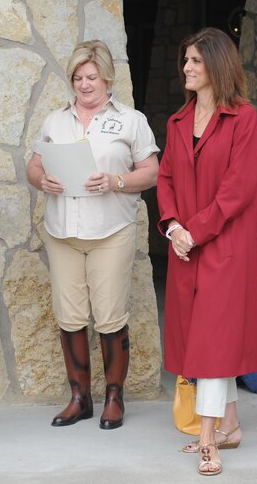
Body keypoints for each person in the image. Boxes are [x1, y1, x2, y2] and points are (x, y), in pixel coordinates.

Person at [26, 40, 159, 430]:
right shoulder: (55, 121)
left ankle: (114, 397)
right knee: (69, 317)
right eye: (78, 78)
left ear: (107, 78)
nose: (84, 85)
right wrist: (42, 180)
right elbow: (34, 167)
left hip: (111, 230)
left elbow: (150, 172)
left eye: (92, 77)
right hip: (62, 231)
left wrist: (117, 180)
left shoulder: (131, 120)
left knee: (110, 316)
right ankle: (79, 398)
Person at [157, 27, 257, 476]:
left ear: (217, 65)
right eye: (185, 61)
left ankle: (206, 436)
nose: (187, 68)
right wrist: (175, 228)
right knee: (201, 339)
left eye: (196, 61)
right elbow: (165, 180)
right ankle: (231, 426)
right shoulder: (177, 122)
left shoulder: (243, 119)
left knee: (215, 342)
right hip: (186, 247)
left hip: (225, 249)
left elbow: (237, 190)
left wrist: (193, 232)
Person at [179, 282, 257, 453]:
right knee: (202, 371)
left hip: (249, 353)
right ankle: (229, 427)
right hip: (225, 355)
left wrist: (239, 357)